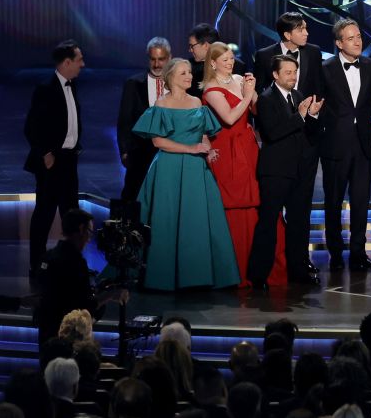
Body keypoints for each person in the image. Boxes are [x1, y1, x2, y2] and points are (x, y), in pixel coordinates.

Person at [132, 57, 240, 291]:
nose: (189, 76)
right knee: (167, 221)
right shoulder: (161, 105)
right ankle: (164, 277)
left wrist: (207, 151)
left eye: (190, 72)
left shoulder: (196, 103)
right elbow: (158, 142)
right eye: (183, 73)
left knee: (196, 220)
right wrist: (192, 149)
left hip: (194, 170)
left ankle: (198, 276)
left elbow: (203, 135)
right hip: (168, 170)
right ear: (170, 77)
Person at [201, 42, 281, 285]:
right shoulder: (210, 89)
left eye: (231, 57)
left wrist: (255, 92)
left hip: (247, 146)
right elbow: (230, 116)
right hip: (227, 150)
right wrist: (247, 95)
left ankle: (261, 266)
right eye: (224, 59)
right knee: (234, 202)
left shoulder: (238, 78)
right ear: (212, 63)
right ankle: (234, 267)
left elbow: (257, 110)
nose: (230, 62)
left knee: (259, 200)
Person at [250, 54, 324, 290]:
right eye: (288, 73)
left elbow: (307, 133)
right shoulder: (266, 98)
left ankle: (298, 270)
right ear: (275, 74)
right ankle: (259, 275)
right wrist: (300, 115)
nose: (293, 77)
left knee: (299, 222)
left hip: (300, 169)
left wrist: (312, 115)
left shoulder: (298, 96)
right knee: (268, 222)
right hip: (275, 170)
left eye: (295, 72)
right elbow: (273, 132)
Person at [321, 18, 371, 272]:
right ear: (338, 43)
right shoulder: (325, 69)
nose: (358, 41)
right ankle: (335, 253)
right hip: (335, 145)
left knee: (361, 202)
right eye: (351, 38)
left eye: (359, 37)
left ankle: (358, 252)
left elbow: (368, 104)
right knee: (333, 202)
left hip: (364, 145)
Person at [24, 40, 86, 279]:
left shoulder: (73, 86)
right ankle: (36, 265)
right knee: (44, 214)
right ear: (67, 62)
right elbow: (31, 128)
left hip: (70, 161)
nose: (83, 64)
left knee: (71, 215)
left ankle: (73, 264)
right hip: (52, 162)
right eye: (79, 59)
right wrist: (45, 153)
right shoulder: (46, 89)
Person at [35, 209, 128, 350]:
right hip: (67, 338)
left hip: (45, 335)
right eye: (89, 233)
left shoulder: (48, 256)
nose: (89, 239)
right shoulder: (76, 263)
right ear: (80, 229)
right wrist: (110, 295)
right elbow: (84, 305)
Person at [117, 38, 172, 202]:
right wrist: (124, 151)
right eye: (152, 59)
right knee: (133, 197)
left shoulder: (179, 83)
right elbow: (125, 120)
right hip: (140, 153)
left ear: (169, 58)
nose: (156, 64)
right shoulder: (133, 83)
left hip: (170, 153)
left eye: (161, 59)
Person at [253, 11, 326, 98]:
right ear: (287, 35)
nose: (306, 33)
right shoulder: (264, 55)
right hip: (275, 110)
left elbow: (319, 85)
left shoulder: (314, 52)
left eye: (306, 28)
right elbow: (259, 90)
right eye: (300, 30)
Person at [186, 23, 219, 98]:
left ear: (206, 45)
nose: (190, 50)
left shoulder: (234, 66)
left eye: (192, 46)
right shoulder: (187, 67)